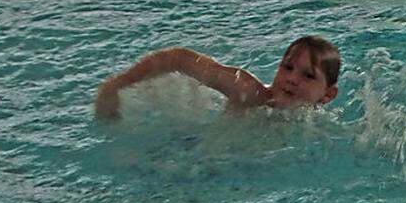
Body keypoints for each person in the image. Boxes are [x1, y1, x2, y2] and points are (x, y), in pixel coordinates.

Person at [94, 36, 341, 119]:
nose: (292, 79)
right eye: (287, 68)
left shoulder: (317, 124)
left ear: (328, 95)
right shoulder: (249, 93)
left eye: (308, 75)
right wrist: (117, 85)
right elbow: (178, 58)